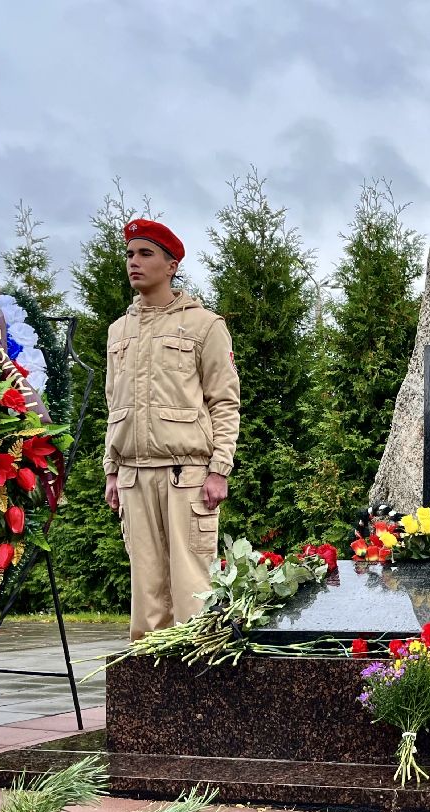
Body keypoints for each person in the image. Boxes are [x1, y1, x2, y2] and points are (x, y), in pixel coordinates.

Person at [103, 219, 240, 640]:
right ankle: (147, 679)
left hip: (188, 477)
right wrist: (111, 470)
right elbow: (113, 404)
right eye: (130, 254)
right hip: (133, 477)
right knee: (146, 593)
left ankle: (197, 677)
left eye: (145, 254)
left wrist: (219, 469)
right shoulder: (118, 331)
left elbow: (224, 402)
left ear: (171, 265)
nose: (134, 262)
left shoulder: (205, 326)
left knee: (193, 590)